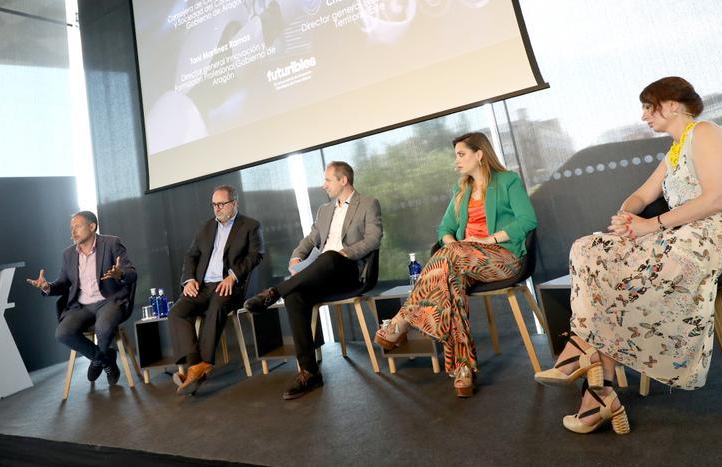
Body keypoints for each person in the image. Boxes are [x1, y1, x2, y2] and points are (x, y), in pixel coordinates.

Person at [535, 76, 722, 436]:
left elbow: (715, 199)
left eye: (648, 107)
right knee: (587, 249)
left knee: (617, 280)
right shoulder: (677, 148)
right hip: (678, 234)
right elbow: (641, 195)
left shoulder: (707, 132)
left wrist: (652, 225)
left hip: (710, 239)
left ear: (670, 104)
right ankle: (597, 385)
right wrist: (627, 215)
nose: (643, 117)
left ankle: (588, 370)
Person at [373, 132, 537, 397]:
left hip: (502, 258)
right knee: (452, 286)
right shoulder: (462, 189)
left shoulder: (507, 181)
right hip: (461, 262)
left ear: (479, 154)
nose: (456, 161)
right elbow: (446, 229)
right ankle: (464, 369)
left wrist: (488, 239)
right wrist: (451, 244)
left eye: (461, 154)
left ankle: (403, 319)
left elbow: (527, 220)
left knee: (450, 259)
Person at [244, 161, 383, 400]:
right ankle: (309, 372)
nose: (323, 184)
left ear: (343, 180)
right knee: (295, 296)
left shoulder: (368, 204)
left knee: (329, 256)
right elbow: (310, 239)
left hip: (350, 272)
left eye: (328, 180)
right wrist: (297, 256)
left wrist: (344, 253)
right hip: (321, 273)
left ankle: (273, 292)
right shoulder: (325, 210)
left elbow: (374, 239)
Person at [170, 185, 264, 395]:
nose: (217, 208)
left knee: (216, 306)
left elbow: (255, 255)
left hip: (230, 284)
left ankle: (197, 369)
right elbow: (191, 255)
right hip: (203, 286)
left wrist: (232, 276)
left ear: (234, 203)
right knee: (177, 312)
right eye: (214, 204)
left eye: (222, 204)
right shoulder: (206, 228)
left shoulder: (250, 226)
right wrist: (189, 280)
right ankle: (197, 365)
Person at [27, 211, 136, 386]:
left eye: (77, 226)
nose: (73, 231)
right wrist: (47, 287)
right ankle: (105, 360)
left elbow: (131, 273)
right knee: (62, 333)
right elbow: (63, 283)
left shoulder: (111, 243)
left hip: (108, 301)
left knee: (104, 327)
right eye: (71, 228)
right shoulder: (68, 254)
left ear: (92, 227)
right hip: (81, 306)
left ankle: (97, 360)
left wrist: (119, 273)